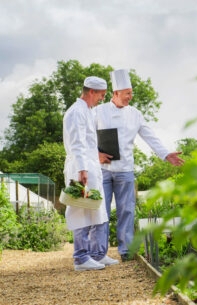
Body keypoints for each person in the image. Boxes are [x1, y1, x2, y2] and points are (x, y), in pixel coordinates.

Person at [95, 69, 184, 261]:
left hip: (125, 170)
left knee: (126, 210)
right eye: (127, 93)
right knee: (101, 210)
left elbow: (149, 136)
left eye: (131, 92)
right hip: (102, 169)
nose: (130, 96)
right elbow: (85, 137)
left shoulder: (135, 114)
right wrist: (97, 154)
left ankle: (126, 251)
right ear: (116, 93)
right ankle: (99, 253)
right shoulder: (98, 112)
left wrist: (166, 154)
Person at [63, 76, 119, 271]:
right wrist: (82, 170)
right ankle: (80, 258)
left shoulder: (87, 111)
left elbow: (87, 143)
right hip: (81, 168)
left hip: (90, 166)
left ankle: (96, 254)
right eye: (102, 95)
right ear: (92, 92)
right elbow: (77, 143)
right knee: (80, 209)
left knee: (96, 208)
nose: (102, 99)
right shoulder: (76, 112)